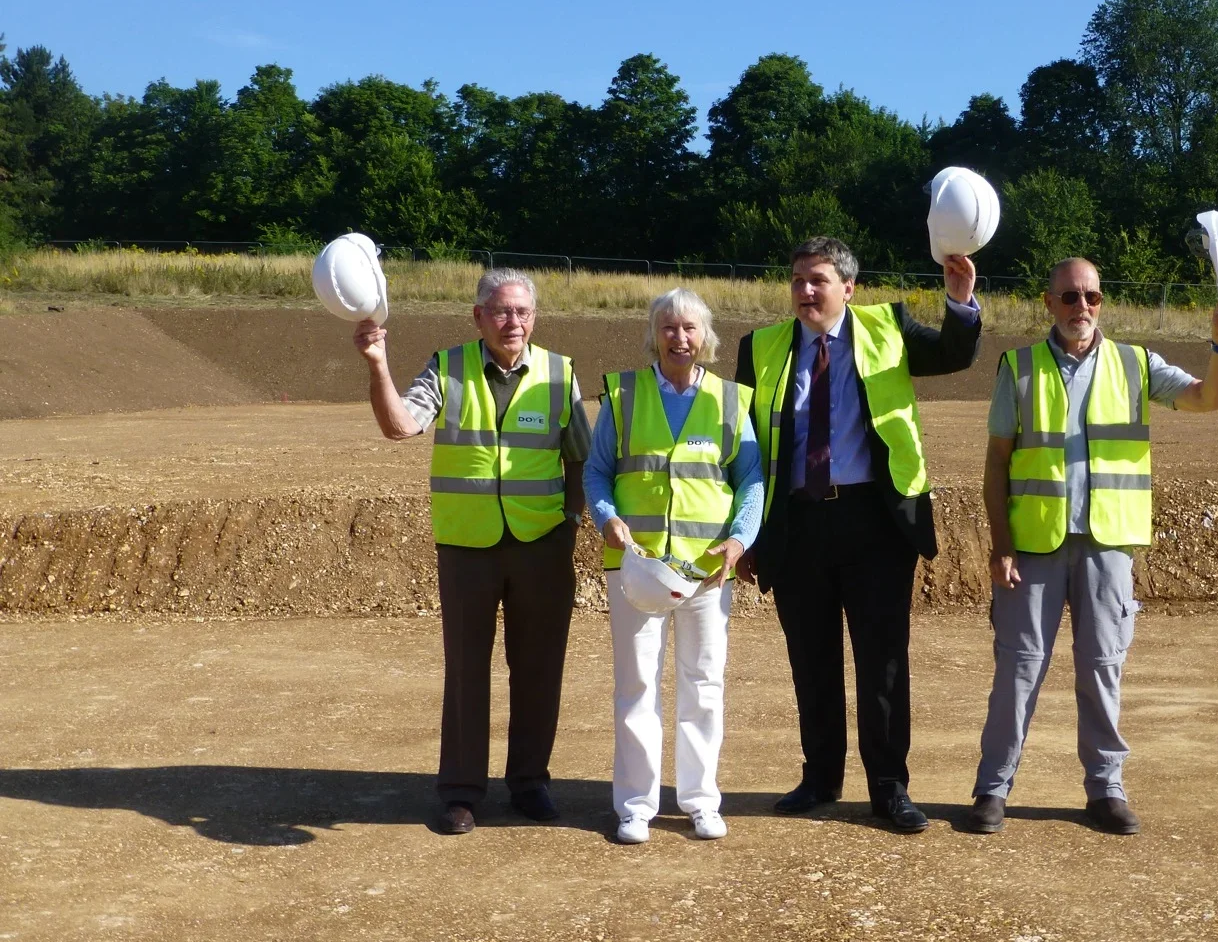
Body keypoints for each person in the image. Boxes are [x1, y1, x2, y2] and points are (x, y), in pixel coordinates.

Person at [968, 256, 1218, 836]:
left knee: (1102, 669)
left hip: (1107, 544)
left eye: (1091, 296)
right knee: (1018, 671)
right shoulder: (1017, 367)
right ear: (1048, 304)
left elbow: (1210, 400)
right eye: (1069, 297)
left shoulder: (1135, 363)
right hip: (1033, 546)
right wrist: (1001, 543)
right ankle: (993, 789)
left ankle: (1105, 789)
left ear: (1102, 301)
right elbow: (997, 463)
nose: (1081, 308)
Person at [734, 236, 982, 834]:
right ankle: (820, 777)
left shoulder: (888, 327)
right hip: (796, 524)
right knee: (811, 660)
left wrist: (960, 300)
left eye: (817, 279)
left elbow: (953, 353)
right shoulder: (761, 348)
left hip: (875, 523)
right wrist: (744, 533)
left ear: (848, 287)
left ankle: (889, 788)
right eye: (797, 280)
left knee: (883, 663)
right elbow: (741, 446)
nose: (805, 291)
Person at [353, 267, 591, 835]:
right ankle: (461, 791)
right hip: (467, 545)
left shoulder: (561, 373)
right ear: (478, 316)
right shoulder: (447, 367)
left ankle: (530, 782)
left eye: (523, 312)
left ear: (535, 318)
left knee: (538, 669)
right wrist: (378, 366)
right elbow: (399, 425)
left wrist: (572, 518)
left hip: (542, 544)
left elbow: (580, 452)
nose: (514, 322)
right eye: (502, 311)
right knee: (466, 670)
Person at [585, 288, 762, 845]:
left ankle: (700, 801)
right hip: (636, 570)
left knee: (703, 685)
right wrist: (607, 518)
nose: (679, 338)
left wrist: (739, 541)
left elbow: (751, 480)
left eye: (689, 328)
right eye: (668, 328)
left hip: (708, 570)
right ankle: (635, 806)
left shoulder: (731, 401)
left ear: (705, 337)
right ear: (653, 335)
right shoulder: (624, 395)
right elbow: (596, 471)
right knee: (637, 685)